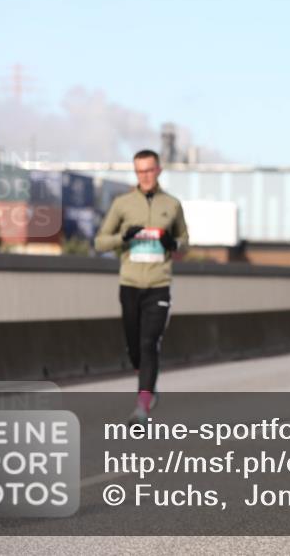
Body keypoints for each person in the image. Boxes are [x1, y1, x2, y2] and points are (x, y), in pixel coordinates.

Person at [94, 149, 188, 425]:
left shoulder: (172, 205)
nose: (145, 176)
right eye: (139, 171)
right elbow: (100, 242)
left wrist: (172, 243)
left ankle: (142, 405)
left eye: (149, 170)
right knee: (134, 348)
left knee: (149, 343)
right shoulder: (122, 204)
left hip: (159, 285)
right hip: (130, 285)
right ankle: (148, 383)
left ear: (158, 170)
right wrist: (124, 237)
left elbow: (185, 243)